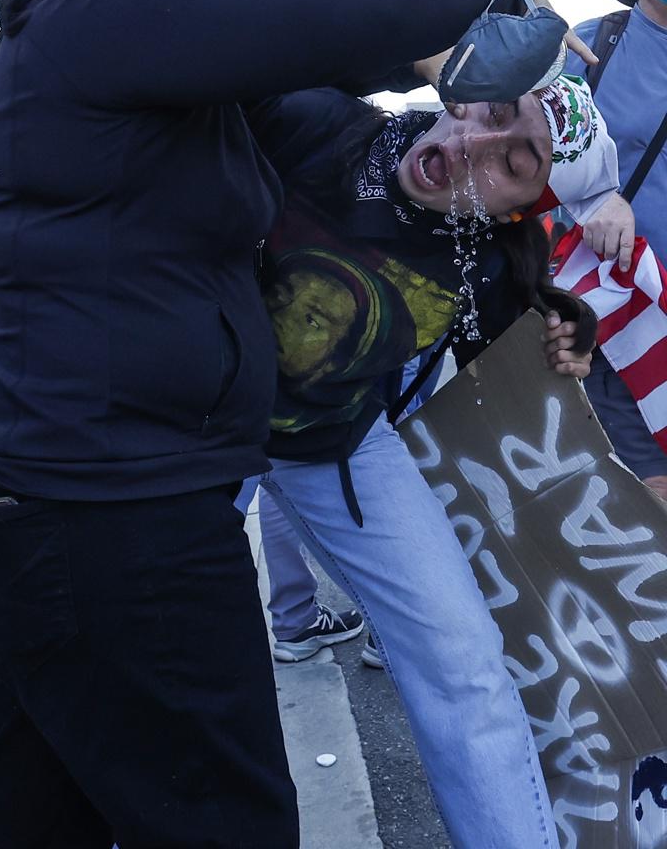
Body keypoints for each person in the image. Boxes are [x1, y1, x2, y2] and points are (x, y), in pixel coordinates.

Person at [0, 0, 585, 849]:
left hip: (79, 491)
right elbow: (339, 22)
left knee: (39, 800)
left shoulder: (139, 49)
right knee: (223, 817)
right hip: (109, 501)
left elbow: (326, 61)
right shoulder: (110, 10)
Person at [237, 74, 618, 849]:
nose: (473, 144)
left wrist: (568, 341)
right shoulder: (319, 123)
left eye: (516, 162)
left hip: (337, 448)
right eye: (494, 113)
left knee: (466, 663)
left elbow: (506, 379)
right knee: (152, 650)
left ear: (524, 208)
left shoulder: (495, 259)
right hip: (188, 426)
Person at [564, 0, 667, 495]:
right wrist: (598, 192)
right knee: (652, 507)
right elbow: (528, 165)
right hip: (622, 320)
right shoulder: (589, 48)